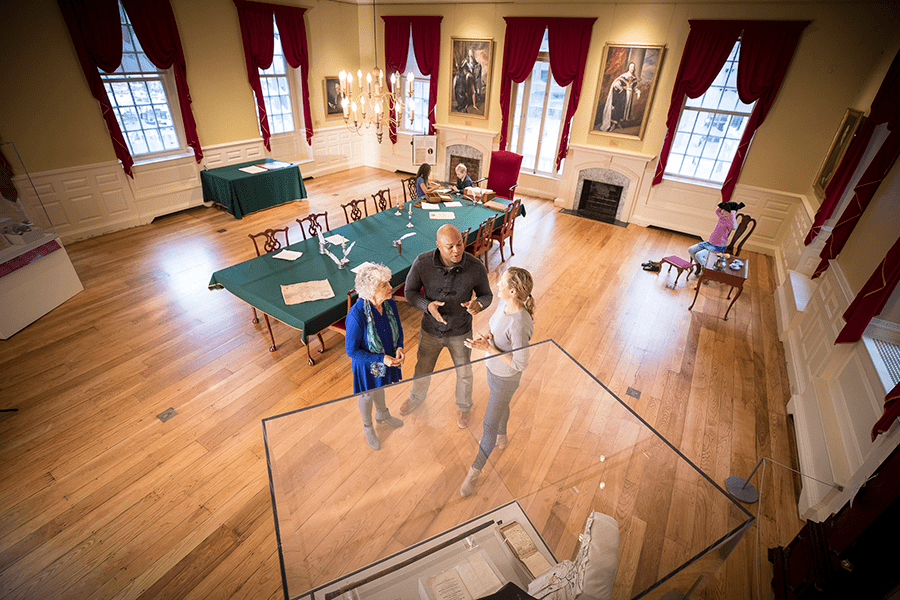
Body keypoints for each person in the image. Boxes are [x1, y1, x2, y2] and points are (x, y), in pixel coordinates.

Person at [401, 224, 493, 428]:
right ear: (438, 246)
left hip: (461, 331)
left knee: (464, 373)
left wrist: (478, 305)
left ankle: (464, 407)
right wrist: (427, 306)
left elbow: (487, 295)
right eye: (449, 246)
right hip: (430, 331)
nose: (457, 250)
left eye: (459, 243)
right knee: (423, 368)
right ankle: (416, 398)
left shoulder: (475, 266)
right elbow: (410, 291)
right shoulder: (422, 262)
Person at [460, 267, 535, 497]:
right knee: (501, 404)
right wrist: (486, 339)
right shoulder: (505, 306)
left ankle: (474, 472)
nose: (497, 285)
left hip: (506, 379)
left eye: (501, 283)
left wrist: (489, 348)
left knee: (487, 426)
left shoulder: (520, 323)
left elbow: (520, 363)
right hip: (493, 371)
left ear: (512, 291)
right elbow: (496, 332)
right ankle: (503, 436)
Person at [345, 262, 406, 450]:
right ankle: (368, 426)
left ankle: (382, 414)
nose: (390, 287)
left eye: (389, 282)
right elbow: (352, 351)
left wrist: (400, 348)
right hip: (367, 363)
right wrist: (382, 359)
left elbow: (399, 328)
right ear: (370, 291)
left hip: (386, 356)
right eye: (384, 285)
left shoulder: (390, 304)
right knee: (367, 395)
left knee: (380, 386)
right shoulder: (356, 315)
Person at [687, 201, 745, 275]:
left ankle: (708, 270)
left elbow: (734, 227)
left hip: (718, 247)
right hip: (709, 243)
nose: (722, 211)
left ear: (730, 213)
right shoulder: (721, 217)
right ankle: (700, 264)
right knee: (691, 250)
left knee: (698, 255)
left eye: (725, 210)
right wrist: (724, 204)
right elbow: (717, 210)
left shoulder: (730, 223)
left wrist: (733, 212)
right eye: (723, 209)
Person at [600, 62, 640, 132]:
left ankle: (619, 123)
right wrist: (622, 89)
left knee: (625, 111)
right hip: (623, 96)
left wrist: (638, 92)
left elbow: (634, 88)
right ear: (628, 67)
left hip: (629, 98)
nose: (632, 68)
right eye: (631, 67)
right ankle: (613, 125)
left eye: (633, 67)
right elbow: (616, 84)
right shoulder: (624, 76)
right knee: (619, 109)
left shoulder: (634, 78)